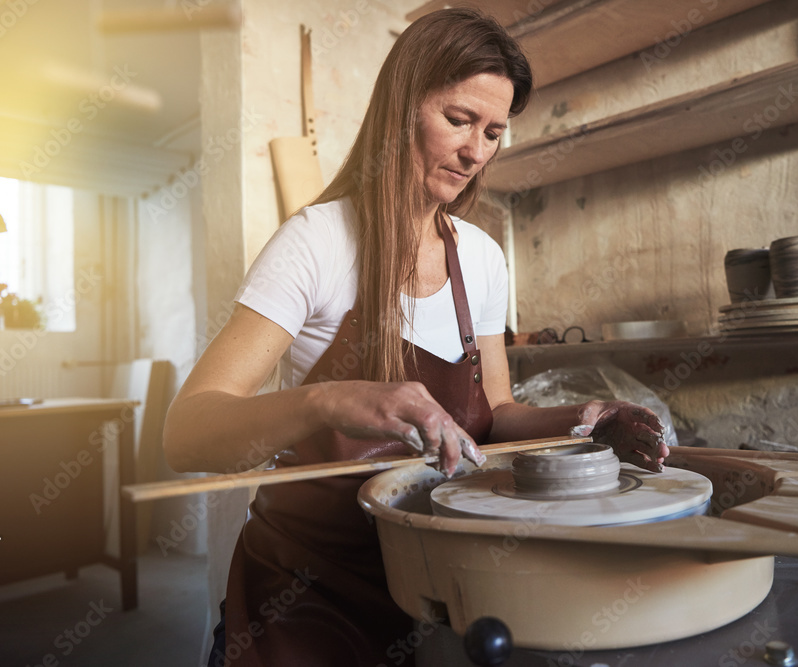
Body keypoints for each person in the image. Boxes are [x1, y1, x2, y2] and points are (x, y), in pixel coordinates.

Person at [163, 8, 669, 666]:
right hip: (304, 596)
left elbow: (498, 413)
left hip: (431, 583)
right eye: (458, 120)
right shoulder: (315, 243)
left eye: (493, 132)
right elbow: (187, 432)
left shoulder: (482, 257)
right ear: (402, 106)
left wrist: (584, 418)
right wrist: (331, 399)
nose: (475, 151)